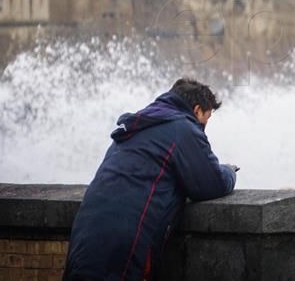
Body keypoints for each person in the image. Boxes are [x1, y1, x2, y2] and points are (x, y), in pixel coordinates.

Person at [63, 77, 237, 281]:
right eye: (205, 121)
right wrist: (229, 171)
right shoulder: (182, 128)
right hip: (124, 247)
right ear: (197, 111)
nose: (204, 129)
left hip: (84, 236)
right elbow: (211, 183)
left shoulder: (136, 127)